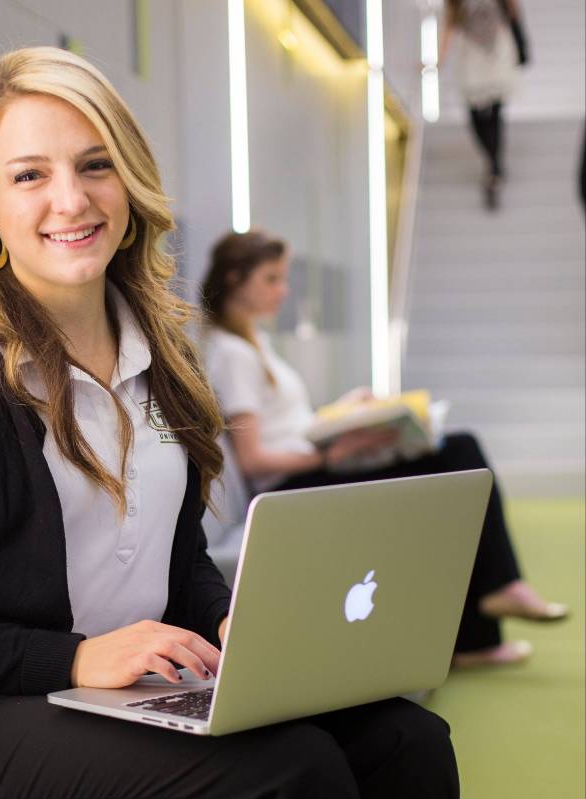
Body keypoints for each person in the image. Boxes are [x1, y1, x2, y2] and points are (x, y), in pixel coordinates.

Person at [0, 48, 459, 799]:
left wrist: (233, 626)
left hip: (141, 691)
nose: (72, 200)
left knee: (405, 741)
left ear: (130, 180)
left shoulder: (162, 356)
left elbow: (177, 560)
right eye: (29, 175)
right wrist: (72, 660)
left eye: (95, 165)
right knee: (291, 772)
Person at [200, 229, 568, 671]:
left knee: (453, 465)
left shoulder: (253, 342)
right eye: (272, 279)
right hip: (290, 485)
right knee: (457, 454)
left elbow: (287, 428)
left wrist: (342, 414)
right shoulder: (231, 353)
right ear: (237, 279)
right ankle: (496, 596)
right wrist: (330, 455)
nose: (283, 290)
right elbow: (255, 458)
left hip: (307, 468)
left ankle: (481, 623)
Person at [439, 0, 527, 210]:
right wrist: (438, 60)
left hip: (498, 52)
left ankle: (495, 169)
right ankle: (493, 164)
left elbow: (514, 13)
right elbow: (449, 26)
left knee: (496, 114)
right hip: (471, 56)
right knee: (476, 116)